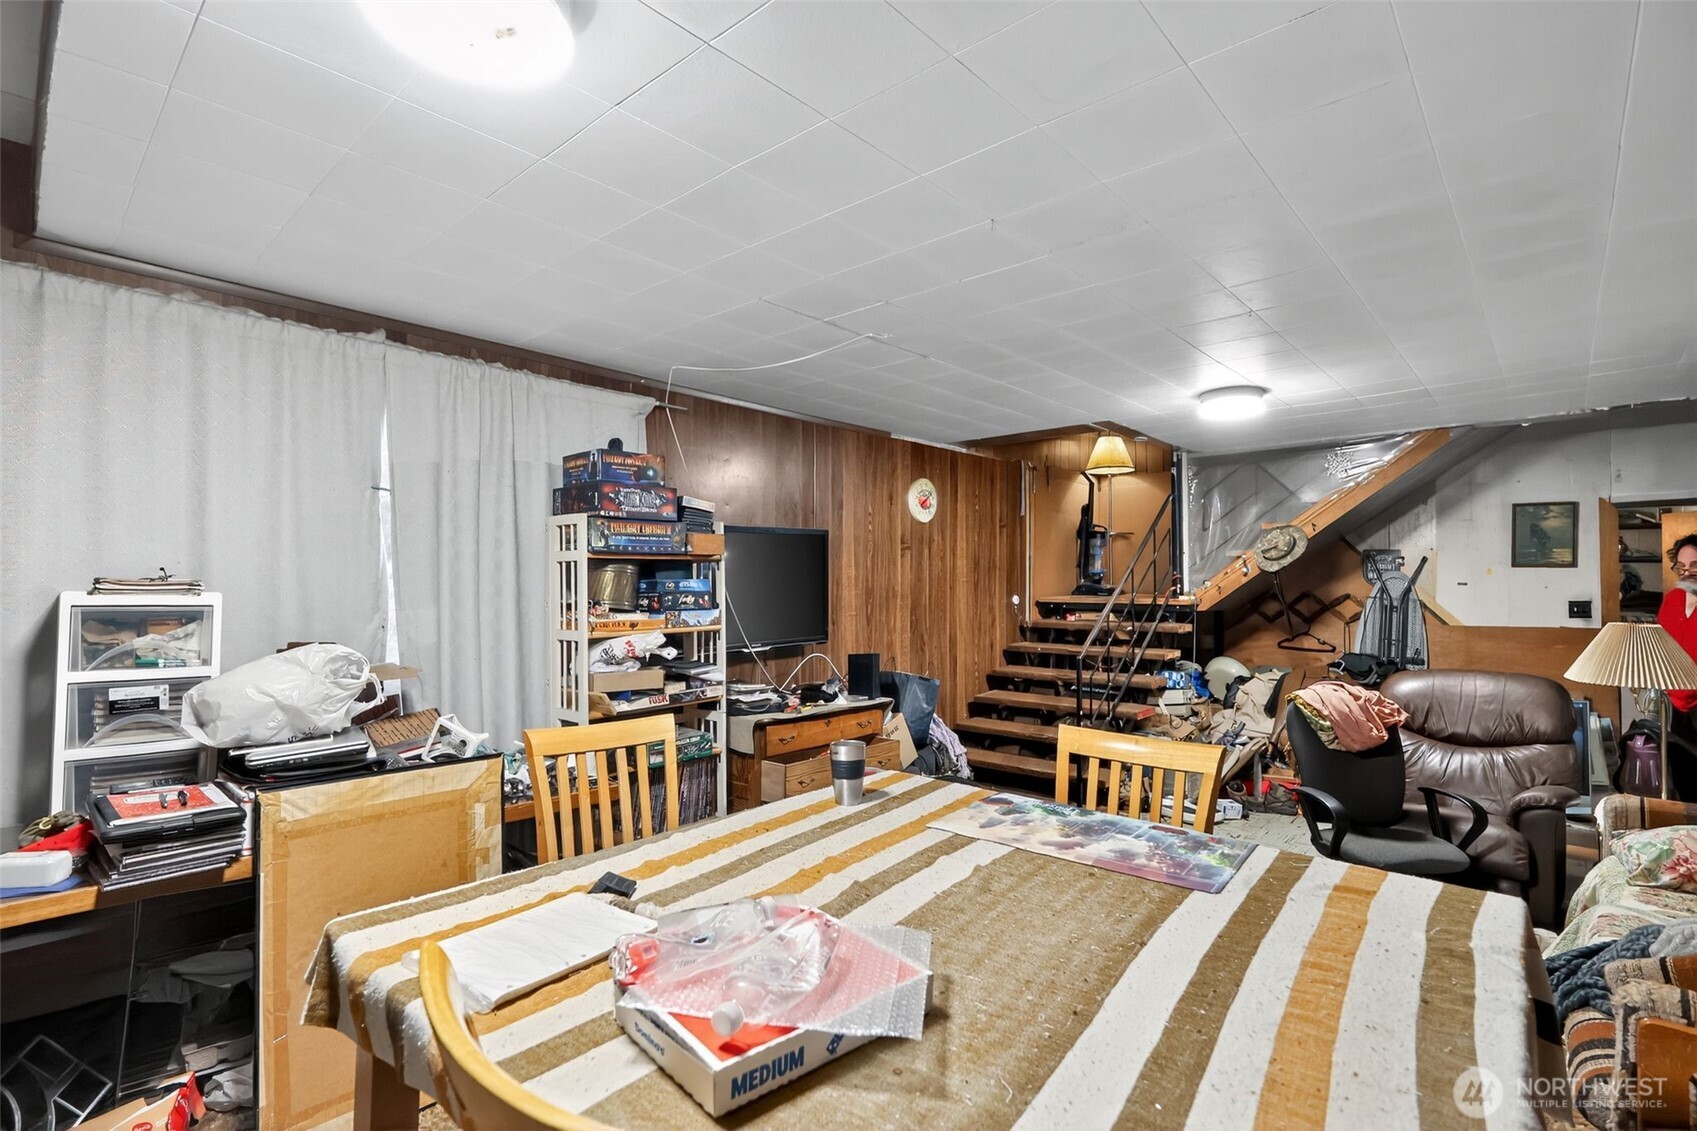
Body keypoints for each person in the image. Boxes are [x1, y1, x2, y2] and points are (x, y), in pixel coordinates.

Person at [1658, 533, 1697, 797]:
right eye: (1681, 566)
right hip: (1674, 701)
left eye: (1694, 566)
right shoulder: (1672, 601)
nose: (1687, 572)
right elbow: (1660, 644)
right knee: (1684, 775)